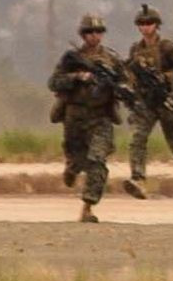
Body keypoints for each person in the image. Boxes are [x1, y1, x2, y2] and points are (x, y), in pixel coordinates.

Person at [47, 16, 128, 222]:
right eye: (90, 32)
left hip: (101, 117)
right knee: (79, 159)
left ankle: (88, 206)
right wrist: (77, 77)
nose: (95, 36)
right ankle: (72, 167)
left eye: (98, 31)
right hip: (74, 116)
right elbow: (54, 82)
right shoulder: (72, 58)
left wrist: (122, 90)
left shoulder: (112, 59)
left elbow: (126, 83)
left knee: (97, 161)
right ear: (83, 35)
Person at [119, 5, 173, 198]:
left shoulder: (168, 48)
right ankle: (138, 179)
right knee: (138, 138)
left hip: (166, 101)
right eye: (142, 23)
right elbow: (129, 75)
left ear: (156, 25)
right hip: (146, 102)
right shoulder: (136, 50)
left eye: (149, 23)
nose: (146, 27)